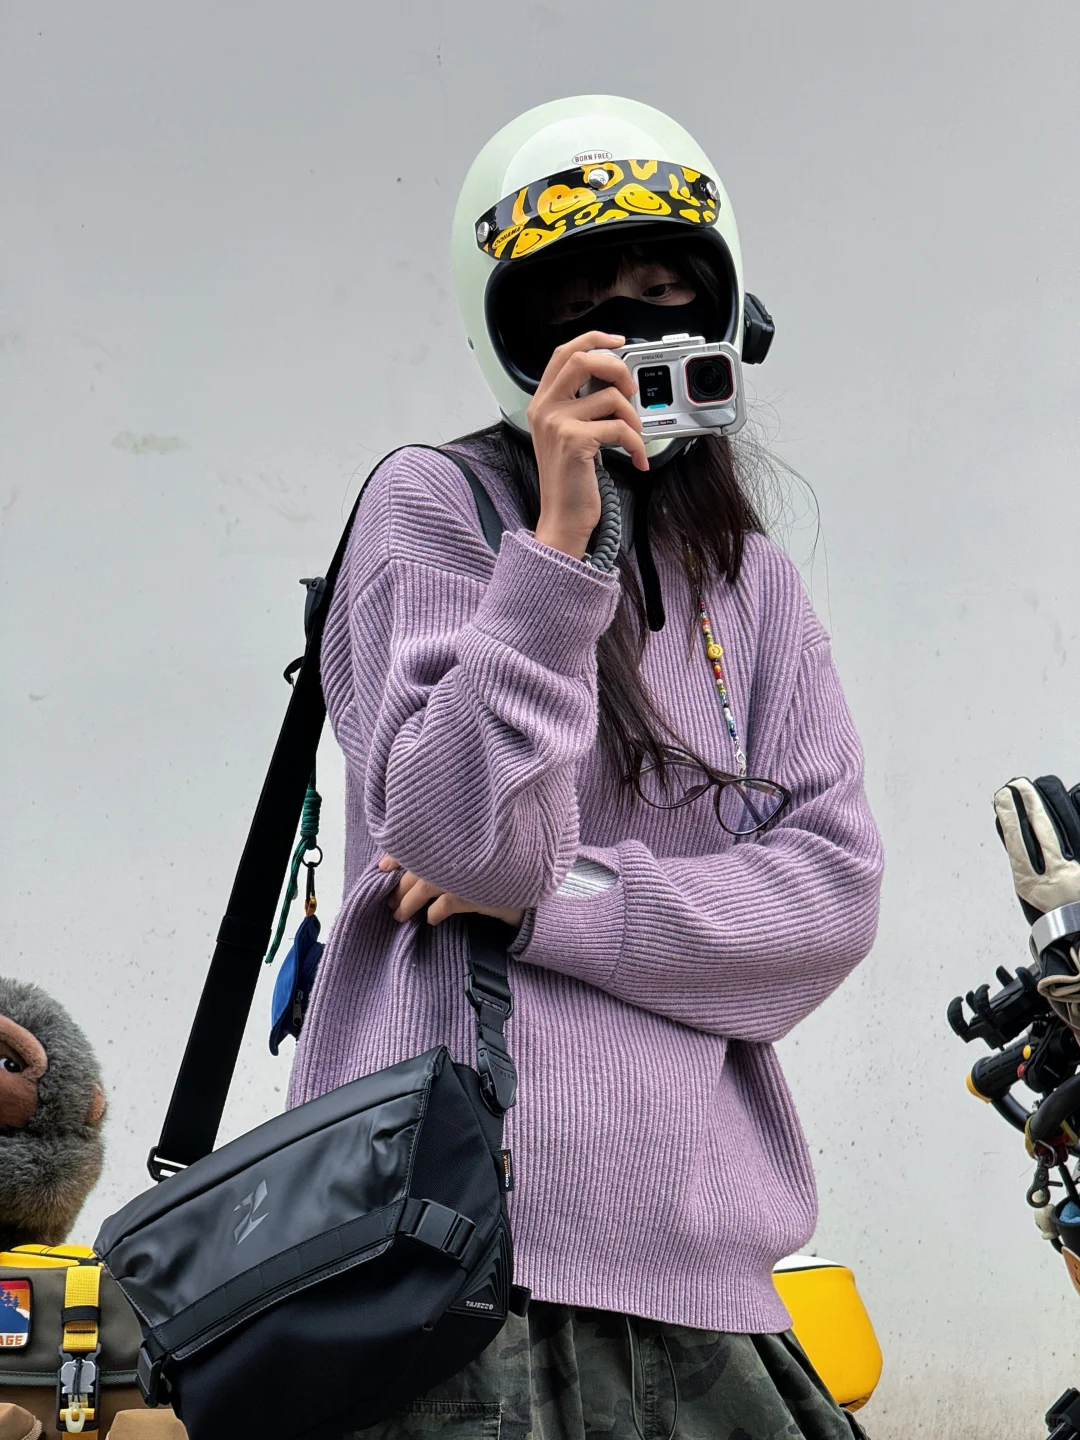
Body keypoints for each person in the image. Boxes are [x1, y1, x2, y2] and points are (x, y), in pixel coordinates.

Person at [288, 95, 884, 1439]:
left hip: (702, 1276)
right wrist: (559, 558)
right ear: (516, 339)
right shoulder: (434, 507)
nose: (634, 337)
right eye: (585, 309)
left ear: (730, 314)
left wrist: (566, 907)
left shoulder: (752, 582)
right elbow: (463, 841)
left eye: (670, 295)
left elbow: (829, 903)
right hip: (451, 1267)